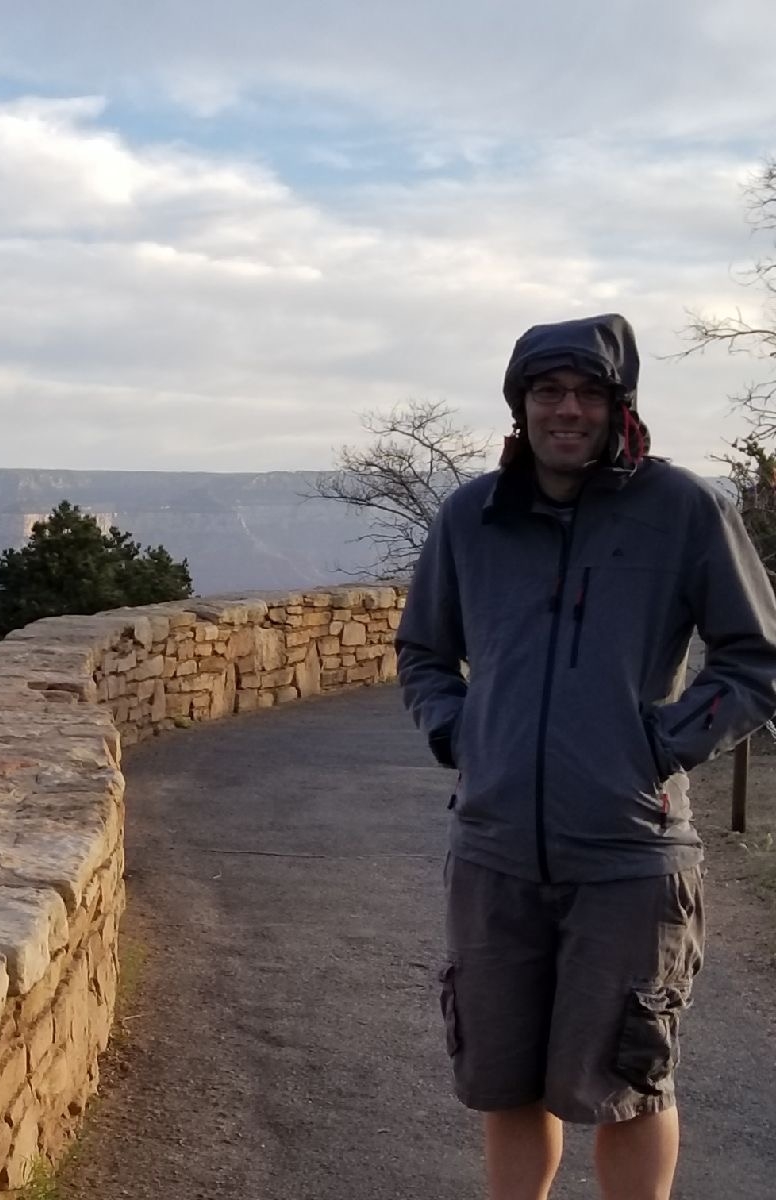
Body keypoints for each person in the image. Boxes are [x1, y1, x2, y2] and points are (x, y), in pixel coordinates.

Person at [395, 313, 776, 1200]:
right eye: (547, 393)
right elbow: (423, 653)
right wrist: (459, 730)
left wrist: (663, 746)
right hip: (492, 853)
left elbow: (756, 656)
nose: (568, 410)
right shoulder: (470, 518)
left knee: (630, 1082)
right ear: (520, 407)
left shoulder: (682, 510)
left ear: (619, 406)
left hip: (629, 855)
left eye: (588, 394)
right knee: (506, 1080)